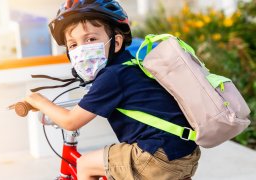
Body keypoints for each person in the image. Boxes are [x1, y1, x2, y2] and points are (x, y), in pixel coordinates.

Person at [25, 0, 200, 179]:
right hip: (184, 152)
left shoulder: (112, 77)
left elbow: (71, 122)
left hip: (158, 157)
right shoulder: (130, 65)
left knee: (84, 165)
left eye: (91, 39)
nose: (82, 50)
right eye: (73, 45)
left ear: (116, 42)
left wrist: (38, 100)